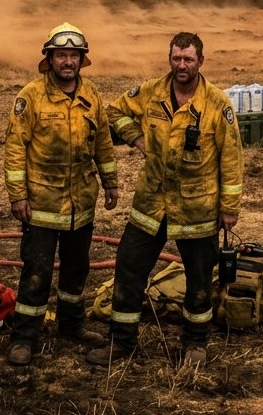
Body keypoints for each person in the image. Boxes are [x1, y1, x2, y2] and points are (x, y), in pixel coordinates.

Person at [85, 32, 243, 368]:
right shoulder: (151, 92)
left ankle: (195, 344)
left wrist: (229, 208)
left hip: (196, 207)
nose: (181, 65)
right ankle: (122, 344)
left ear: (201, 61)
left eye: (188, 59)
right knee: (129, 267)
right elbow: (114, 113)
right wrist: (137, 137)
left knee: (199, 277)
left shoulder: (217, 105)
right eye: (176, 58)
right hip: (152, 202)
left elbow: (231, 160)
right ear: (169, 59)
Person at [4, 23, 119, 367]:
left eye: (73, 55)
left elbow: (103, 144)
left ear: (82, 60)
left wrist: (111, 181)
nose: (67, 61)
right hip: (41, 204)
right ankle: (25, 336)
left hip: (81, 205)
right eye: (60, 55)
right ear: (49, 58)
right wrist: (17, 195)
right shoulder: (31, 96)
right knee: (36, 271)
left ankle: (71, 325)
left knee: (76, 270)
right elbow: (14, 149)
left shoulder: (92, 96)